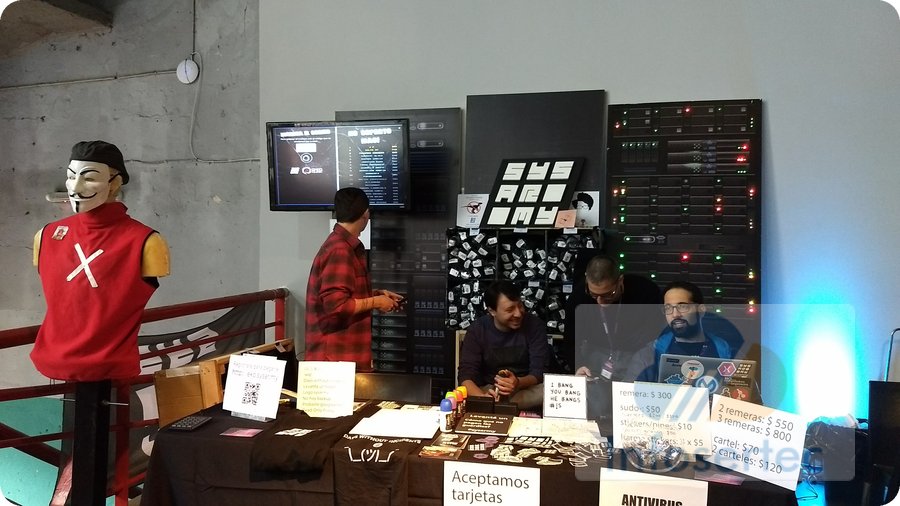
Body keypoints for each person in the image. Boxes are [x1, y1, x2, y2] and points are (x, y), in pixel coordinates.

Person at [30, 140, 170, 506]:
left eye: (89, 177)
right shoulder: (46, 236)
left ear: (115, 182)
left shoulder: (146, 242)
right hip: (56, 353)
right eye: (71, 176)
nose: (76, 187)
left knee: (97, 463)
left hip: (108, 362)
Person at [304, 187, 403, 371]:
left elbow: (343, 294)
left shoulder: (341, 245)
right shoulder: (340, 250)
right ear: (365, 214)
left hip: (341, 359)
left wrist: (377, 295)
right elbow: (336, 306)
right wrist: (376, 302)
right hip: (334, 362)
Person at [564, 254, 663, 425]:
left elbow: (656, 337)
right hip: (598, 351)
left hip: (636, 352)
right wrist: (578, 364)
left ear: (620, 281)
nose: (601, 302)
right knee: (595, 405)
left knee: (630, 403)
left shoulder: (646, 291)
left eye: (608, 294)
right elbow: (571, 338)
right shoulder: (579, 296)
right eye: (594, 295)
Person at [457, 280, 550, 409]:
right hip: (490, 389)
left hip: (526, 388)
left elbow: (539, 372)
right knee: (466, 391)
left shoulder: (535, 326)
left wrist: (517, 382)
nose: (518, 313)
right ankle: (499, 405)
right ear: (492, 311)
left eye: (520, 306)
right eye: (510, 309)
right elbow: (466, 375)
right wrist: (483, 398)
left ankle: (501, 406)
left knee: (547, 392)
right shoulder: (477, 330)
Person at [625, 281, 732, 383]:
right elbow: (629, 393)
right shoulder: (647, 356)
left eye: (682, 306)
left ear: (701, 310)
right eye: (668, 308)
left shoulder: (728, 353)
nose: (675, 314)